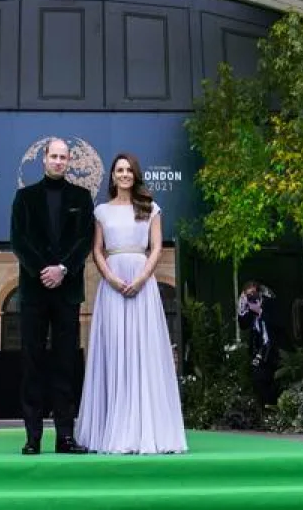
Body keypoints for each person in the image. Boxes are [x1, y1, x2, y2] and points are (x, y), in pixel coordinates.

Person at [75, 152, 188, 454]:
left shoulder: (151, 208)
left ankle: (146, 430)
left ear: (135, 175)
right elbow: (97, 250)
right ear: (112, 176)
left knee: (142, 351)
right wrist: (111, 278)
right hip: (112, 286)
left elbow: (157, 247)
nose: (124, 174)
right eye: (119, 170)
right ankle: (113, 429)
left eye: (128, 170)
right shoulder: (101, 211)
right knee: (115, 352)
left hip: (142, 284)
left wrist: (141, 279)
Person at [9, 138, 96, 455]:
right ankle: (32, 438)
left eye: (63, 157)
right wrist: (42, 271)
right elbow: (18, 240)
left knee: (65, 365)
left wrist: (62, 269)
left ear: (69, 161)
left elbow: (85, 240)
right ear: (44, 159)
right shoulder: (24, 197)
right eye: (54, 156)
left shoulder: (82, 197)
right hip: (34, 291)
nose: (59, 161)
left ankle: (65, 437)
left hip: (67, 292)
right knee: (32, 364)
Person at [238, 281, 282, 408]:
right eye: (248, 295)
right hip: (259, 350)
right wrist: (242, 307)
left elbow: (277, 323)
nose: (252, 297)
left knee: (269, 379)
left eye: (253, 293)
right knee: (259, 379)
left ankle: (271, 406)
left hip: (273, 348)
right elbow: (243, 325)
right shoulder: (250, 309)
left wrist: (260, 311)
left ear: (259, 293)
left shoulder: (269, 303)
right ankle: (266, 407)